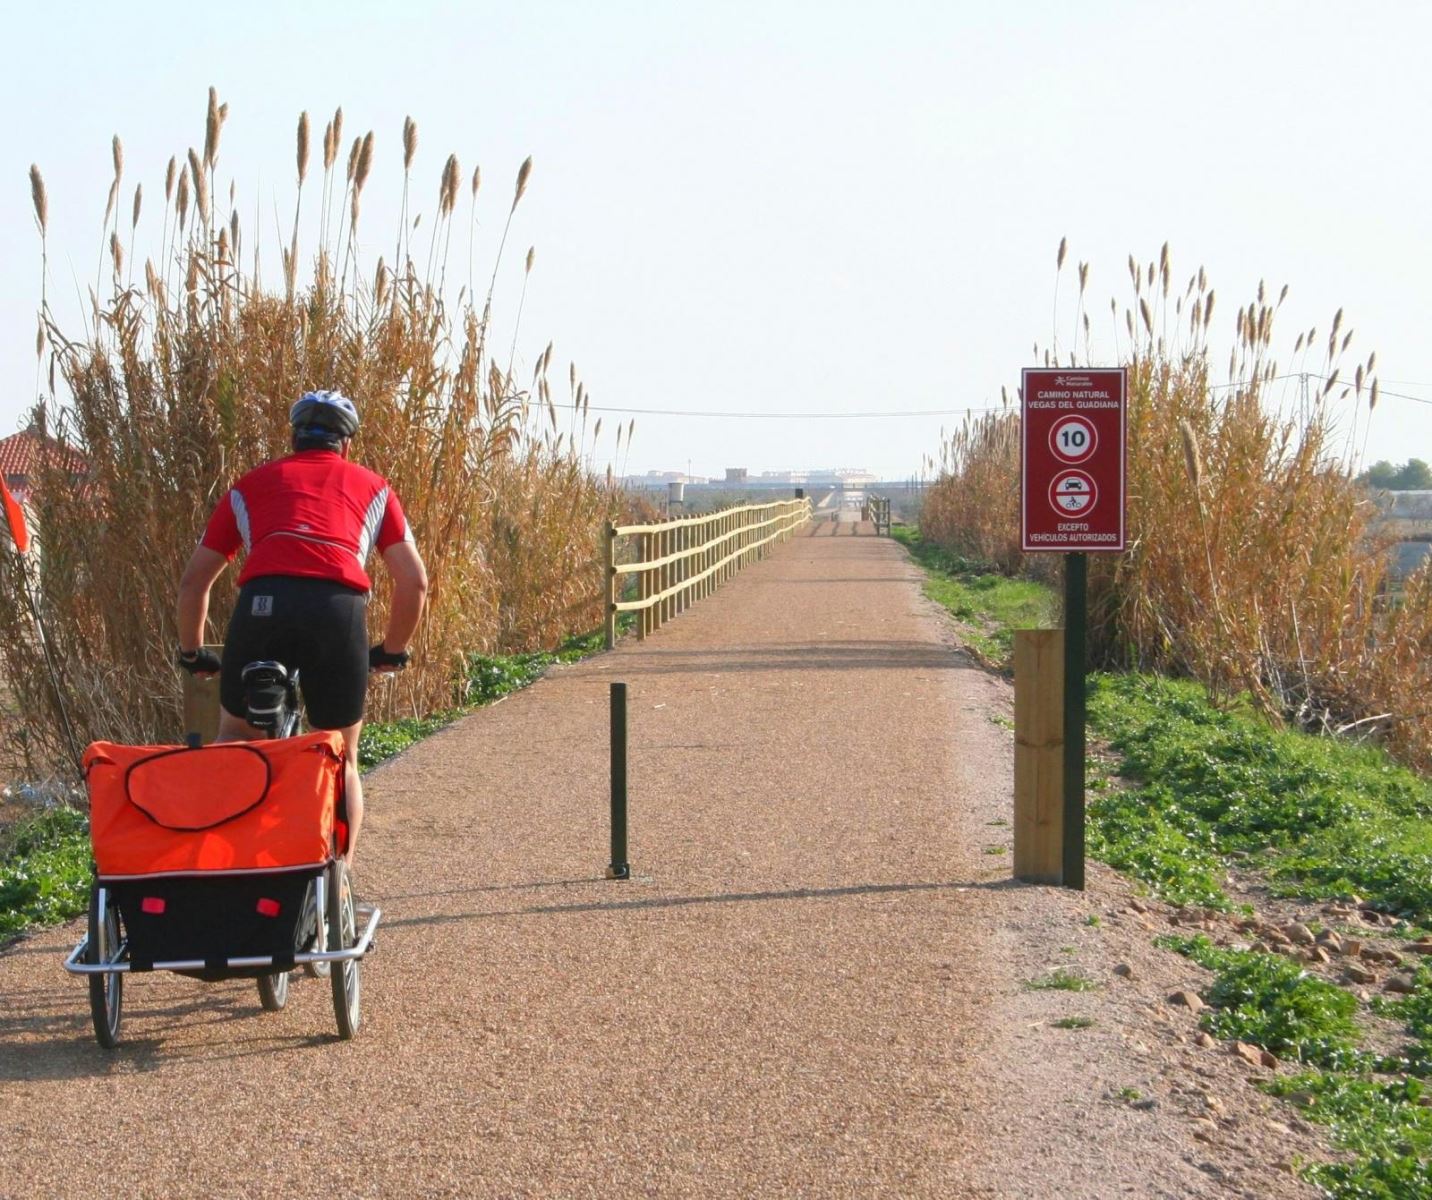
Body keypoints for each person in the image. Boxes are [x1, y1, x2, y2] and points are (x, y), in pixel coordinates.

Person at [174, 390, 428, 868]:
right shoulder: (375, 488)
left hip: (264, 606)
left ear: (293, 439)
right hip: (338, 610)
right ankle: (340, 883)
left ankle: (218, 865)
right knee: (340, 754)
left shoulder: (248, 486)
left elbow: (194, 583)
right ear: (346, 446)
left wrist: (191, 653)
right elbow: (414, 583)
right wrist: (392, 650)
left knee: (236, 736)